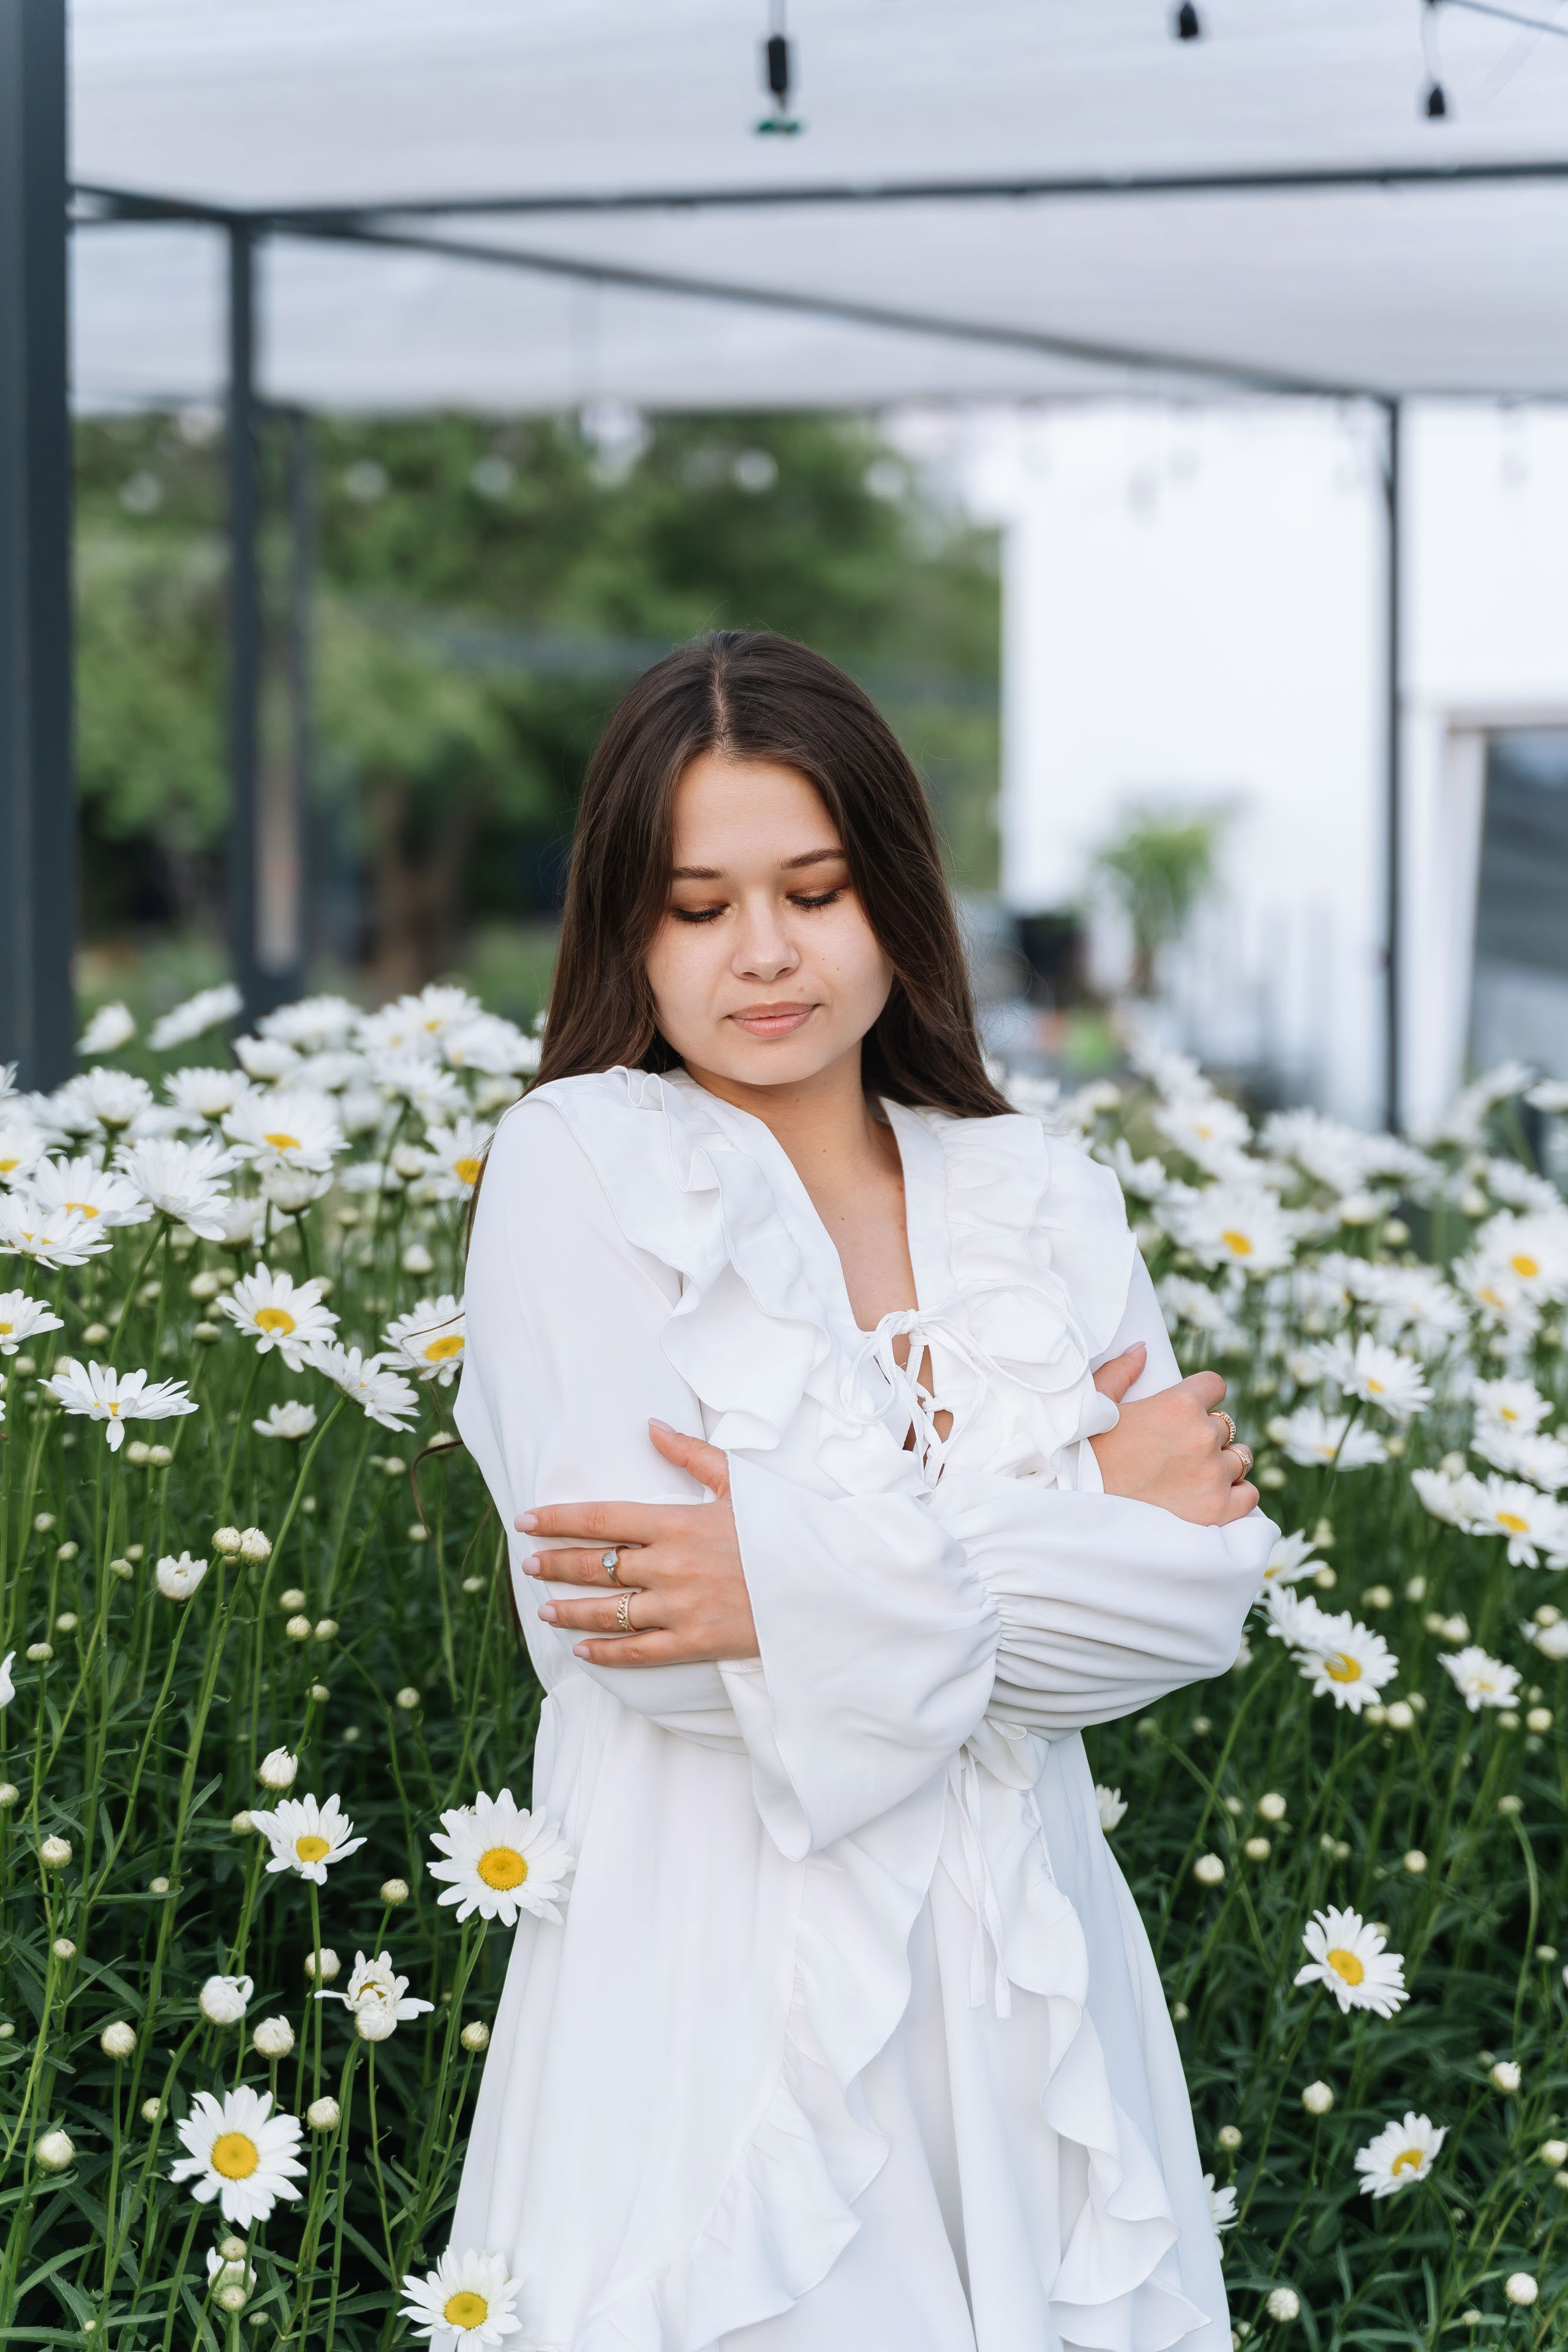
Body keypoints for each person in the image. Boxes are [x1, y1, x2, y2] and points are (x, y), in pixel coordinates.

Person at [448, 630, 1275, 2352]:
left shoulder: (1041, 1190)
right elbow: (636, 1634)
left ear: (894, 892)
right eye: (698, 904)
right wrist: (1069, 1501)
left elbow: (1191, 1600)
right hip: (711, 2005)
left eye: (815, 889)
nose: (766, 952)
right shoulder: (580, 1168)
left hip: (1030, 1997)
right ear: (628, 927)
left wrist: (797, 1584)